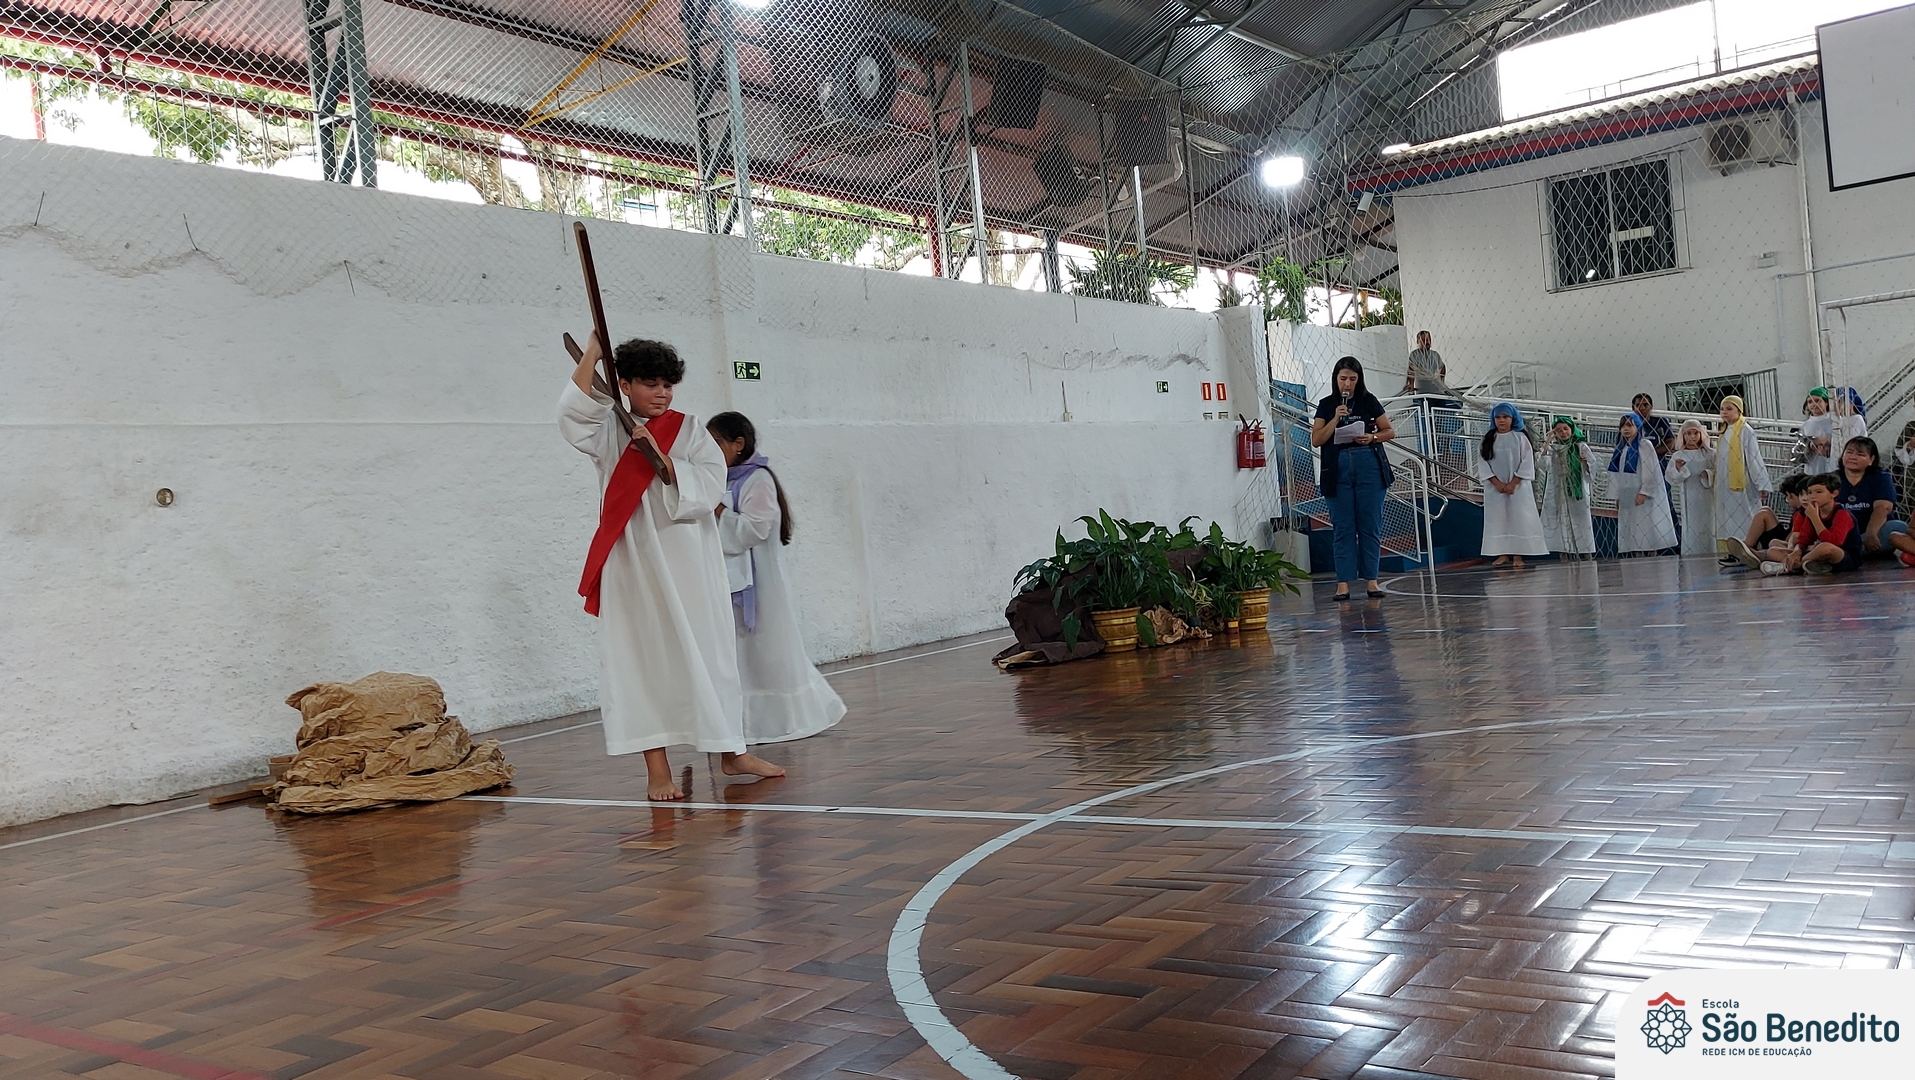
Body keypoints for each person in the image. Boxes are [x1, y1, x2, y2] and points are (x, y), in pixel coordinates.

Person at [559, 333, 783, 802]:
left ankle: (732, 752)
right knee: (642, 657)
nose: (661, 393)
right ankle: (657, 770)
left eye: (667, 384)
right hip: (635, 561)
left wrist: (663, 460)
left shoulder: (691, 429)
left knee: (711, 655)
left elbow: (711, 483)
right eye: (649, 384)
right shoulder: (611, 428)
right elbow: (573, 414)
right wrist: (594, 353)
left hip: (691, 561)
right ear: (625, 385)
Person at [708, 411, 847, 744]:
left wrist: (719, 511)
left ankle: (787, 720)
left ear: (738, 444)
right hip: (730, 582)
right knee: (741, 657)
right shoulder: (721, 479)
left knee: (770, 653)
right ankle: (746, 725)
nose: (709, 451)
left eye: (716, 443)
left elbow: (754, 529)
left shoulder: (757, 479)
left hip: (761, 583)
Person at [1313, 356, 1395, 600]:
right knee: (1343, 526)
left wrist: (1372, 437)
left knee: (1370, 524)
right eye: (1343, 379)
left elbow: (1389, 431)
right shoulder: (1327, 404)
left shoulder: (1369, 401)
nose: (1347, 384)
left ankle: (1372, 580)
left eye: (1352, 379)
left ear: (1359, 380)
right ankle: (1343, 583)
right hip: (1337, 468)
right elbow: (1317, 439)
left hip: (1368, 465)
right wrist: (1335, 419)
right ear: (1335, 379)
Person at [1475, 402, 1549, 567]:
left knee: (1519, 519)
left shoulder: (1520, 438)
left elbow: (1527, 462)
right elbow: (1483, 463)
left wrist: (1514, 483)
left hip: (1519, 488)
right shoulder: (1488, 439)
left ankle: (1518, 555)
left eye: (1505, 417)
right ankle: (1502, 554)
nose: (1501, 420)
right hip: (1495, 490)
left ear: (1513, 418)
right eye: (1498, 417)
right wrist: (1497, 483)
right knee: (1498, 520)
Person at [1832, 435, 1915, 565]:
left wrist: (1871, 534)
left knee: (1898, 527)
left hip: (1874, 532)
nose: (1853, 457)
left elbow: (1883, 508)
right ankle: (1841, 553)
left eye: (1860, 454)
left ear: (1871, 460)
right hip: (1840, 534)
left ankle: (1837, 554)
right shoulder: (1831, 479)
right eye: (1849, 452)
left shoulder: (1881, 478)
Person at [1762, 473, 1862, 575]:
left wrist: (1815, 519)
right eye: (1809, 492)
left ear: (1834, 493)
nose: (1813, 496)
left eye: (1819, 492)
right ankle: (1808, 565)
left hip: (1844, 556)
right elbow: (1804, 539)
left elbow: (1833, 542)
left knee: (1825, 548)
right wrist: (1797, 551)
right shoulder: (1812, 512)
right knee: (1773, 551)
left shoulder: (1842, 514)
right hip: (1815, 554)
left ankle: (1790, 566)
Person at [1609, 411, 1677, 555]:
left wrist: (1644, 492)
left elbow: (1650, 470)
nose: (1626, 429)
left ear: (1638, 427)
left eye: (1630, 425)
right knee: (1632, 528)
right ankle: (1637, 555)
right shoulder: (1621, 448)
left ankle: (1651, 555)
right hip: (1628, 494)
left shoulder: (1644, 445)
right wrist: (1618, 496)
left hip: (1643, 495)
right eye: (1623, 426)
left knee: (1647, 528)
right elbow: (1617, 474)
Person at [1711, 395, 1773, 548]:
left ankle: (1749, 547)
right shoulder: (1724, 431)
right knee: (1727, 519)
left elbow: (1754, 458)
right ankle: (1731, 549)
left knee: (1746, 517)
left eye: (1729, 409)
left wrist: (1761, 484)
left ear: (1739, 411)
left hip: (1742, 485)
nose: (1724, 412)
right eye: (1722, 409)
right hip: (1725, 487)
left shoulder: (1745, 430)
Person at [1539, 415, 1600, 558]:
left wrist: (1584, 463)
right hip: (1558, 489)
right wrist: (1548, 441)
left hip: (1578, 491)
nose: (1563, 433)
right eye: (1559, 430)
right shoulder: (1554, 448)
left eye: (1565, 429)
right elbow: (1542, 464)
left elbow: (1593, 467)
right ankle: (1563, 552)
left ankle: (1586, 552)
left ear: (1572, 429)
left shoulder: (1580, 446)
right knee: (1562, 520)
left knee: (1581, 519)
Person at [1723, 473, 1809, 569]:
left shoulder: (1805, 512)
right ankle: (1747, 549)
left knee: (1765, 517)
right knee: (1765, 512)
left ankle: (1750, 553)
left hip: (1796, 546)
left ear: (1790, 495)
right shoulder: (1800, 512)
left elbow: (1794, 536)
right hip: (1790, 544)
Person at [1665, 419, 1715, 557]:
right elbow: (1670, 477)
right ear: (1683, 435)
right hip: (1689, 497)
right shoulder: (1678, 455)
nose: (1692, 437)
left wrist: (1708, 474)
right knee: (1691, 528)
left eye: (1695, 433)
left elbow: (1719, 473)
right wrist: (1678, 469)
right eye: (1688, 433)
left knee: (1709, 527)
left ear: (1701, 434)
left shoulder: (1710, 454)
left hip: (1707, 498)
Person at [1403, 330, 1449, 396]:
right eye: (1423, 340)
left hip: (1438, 392)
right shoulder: (1414, 355)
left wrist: (1441, 381)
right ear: (1418, 342)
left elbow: (1442, 367)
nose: (1426, 342)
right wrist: (1411, 384)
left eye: (1428, 340)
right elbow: (1411, 369)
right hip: (1423, 393)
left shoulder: (1435, 355)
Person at [1801, 387, 1836, 474]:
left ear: (1826, 402)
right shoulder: (1806, 425)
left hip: (1832, 465)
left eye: (1817, 401)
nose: (1814, 404)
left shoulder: (1834, 421)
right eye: (1810, 402)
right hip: (1812, 467)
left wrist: (1827, 442)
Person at [1631, 393, 1676, 460]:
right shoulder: (1629, 422)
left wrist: (1652, 453)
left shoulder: (1660, 421)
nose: (1642, 408)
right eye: (1638, 405)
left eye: (1645, 405)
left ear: (1651, 407)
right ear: (1633, 408)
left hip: (1658, 460)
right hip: (1635, 460)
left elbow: (1670, 442)